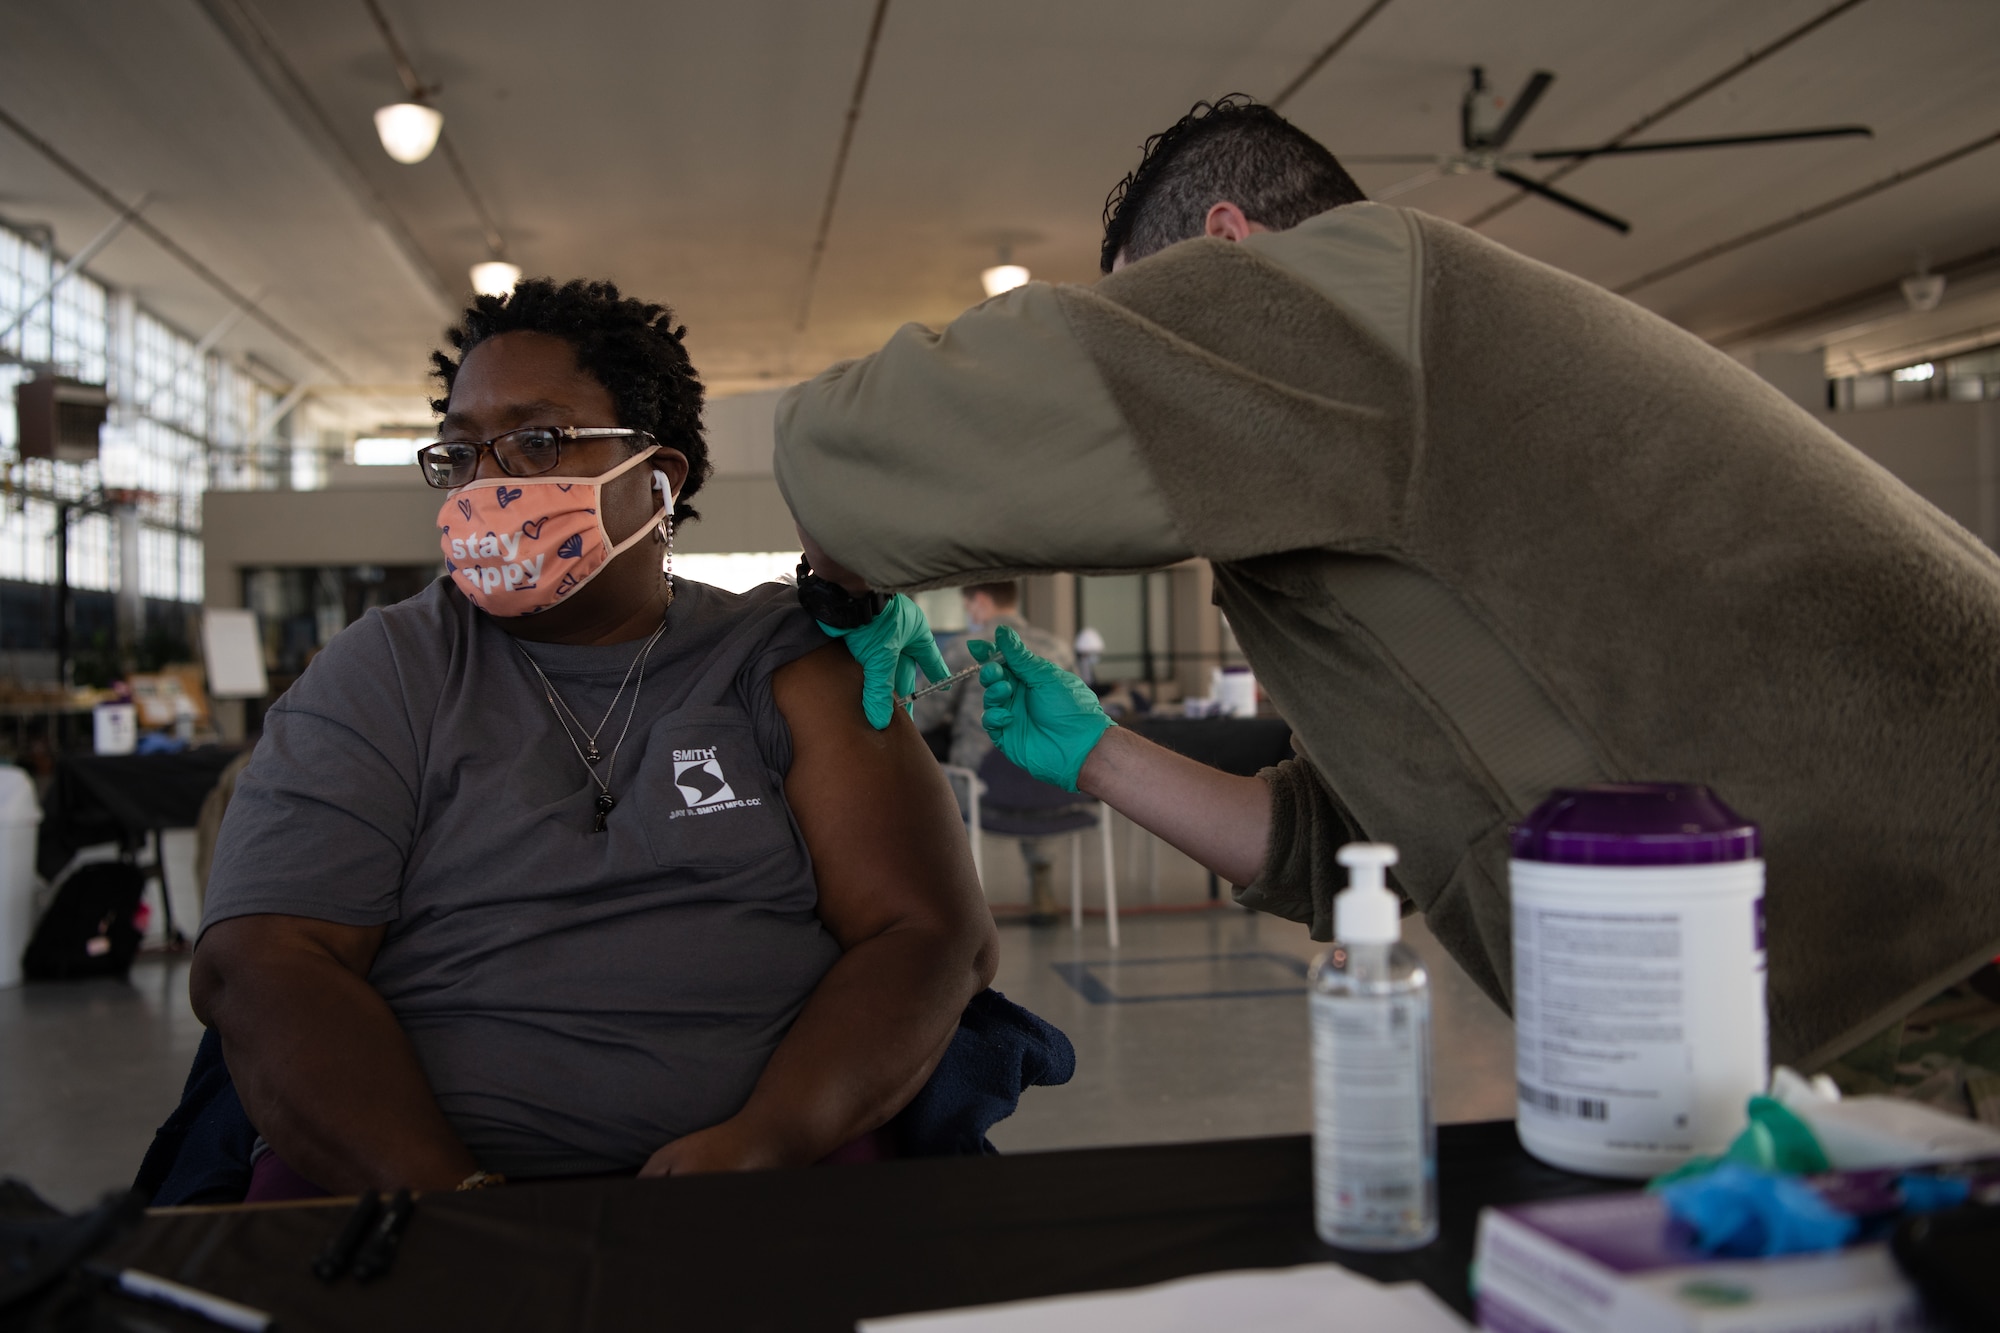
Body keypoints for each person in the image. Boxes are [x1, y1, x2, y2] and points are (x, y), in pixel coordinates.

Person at [775, 96, 2000, 1072]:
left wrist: (841, 579)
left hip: (1930, 954)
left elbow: (861, 448)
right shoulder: (1385, 479)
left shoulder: (1353, 287)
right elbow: (1356, 845)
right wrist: (1098, 752)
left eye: (1149, 311)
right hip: (1786, 1004)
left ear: (1222, 249)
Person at [190, 279, 998, 1195]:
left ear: (660, 479)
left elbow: (929, 934)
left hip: (761, 1173)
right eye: (461, 453)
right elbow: (260, 961)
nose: (490, 484)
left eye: (539, 441)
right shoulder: (387, 672)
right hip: (419, 1188)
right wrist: (456, 1205)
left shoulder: (780, 664)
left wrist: (770, 1137)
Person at [911, 582, 1074, 923]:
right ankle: (1041, 877)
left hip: (980, 787)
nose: (969, 613)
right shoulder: (1057, 649)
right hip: (1048, 787)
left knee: (931, 778)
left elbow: (920, 713)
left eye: (968, 606)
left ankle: (952, 892)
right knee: (1029, 767)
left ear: (981, 601)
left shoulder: (965, 649)